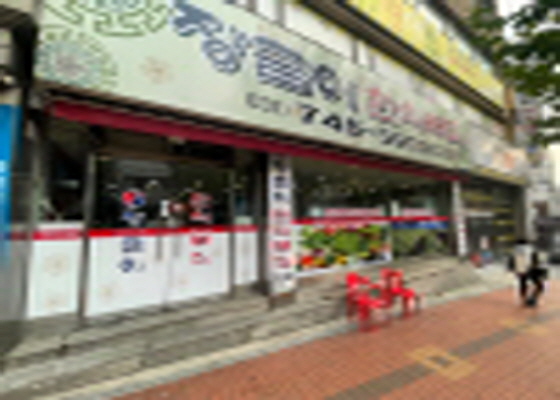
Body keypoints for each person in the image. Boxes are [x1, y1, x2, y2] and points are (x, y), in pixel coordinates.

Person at [508, 239, 548, 307]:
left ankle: (525, 300)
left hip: (522, 271)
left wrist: (513, 269)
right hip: (531, 270)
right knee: (540, 286)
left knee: (523, 285)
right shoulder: (530, 250)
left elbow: (511, 263)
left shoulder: (515, 252)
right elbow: (536, 261)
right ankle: (533, 298)